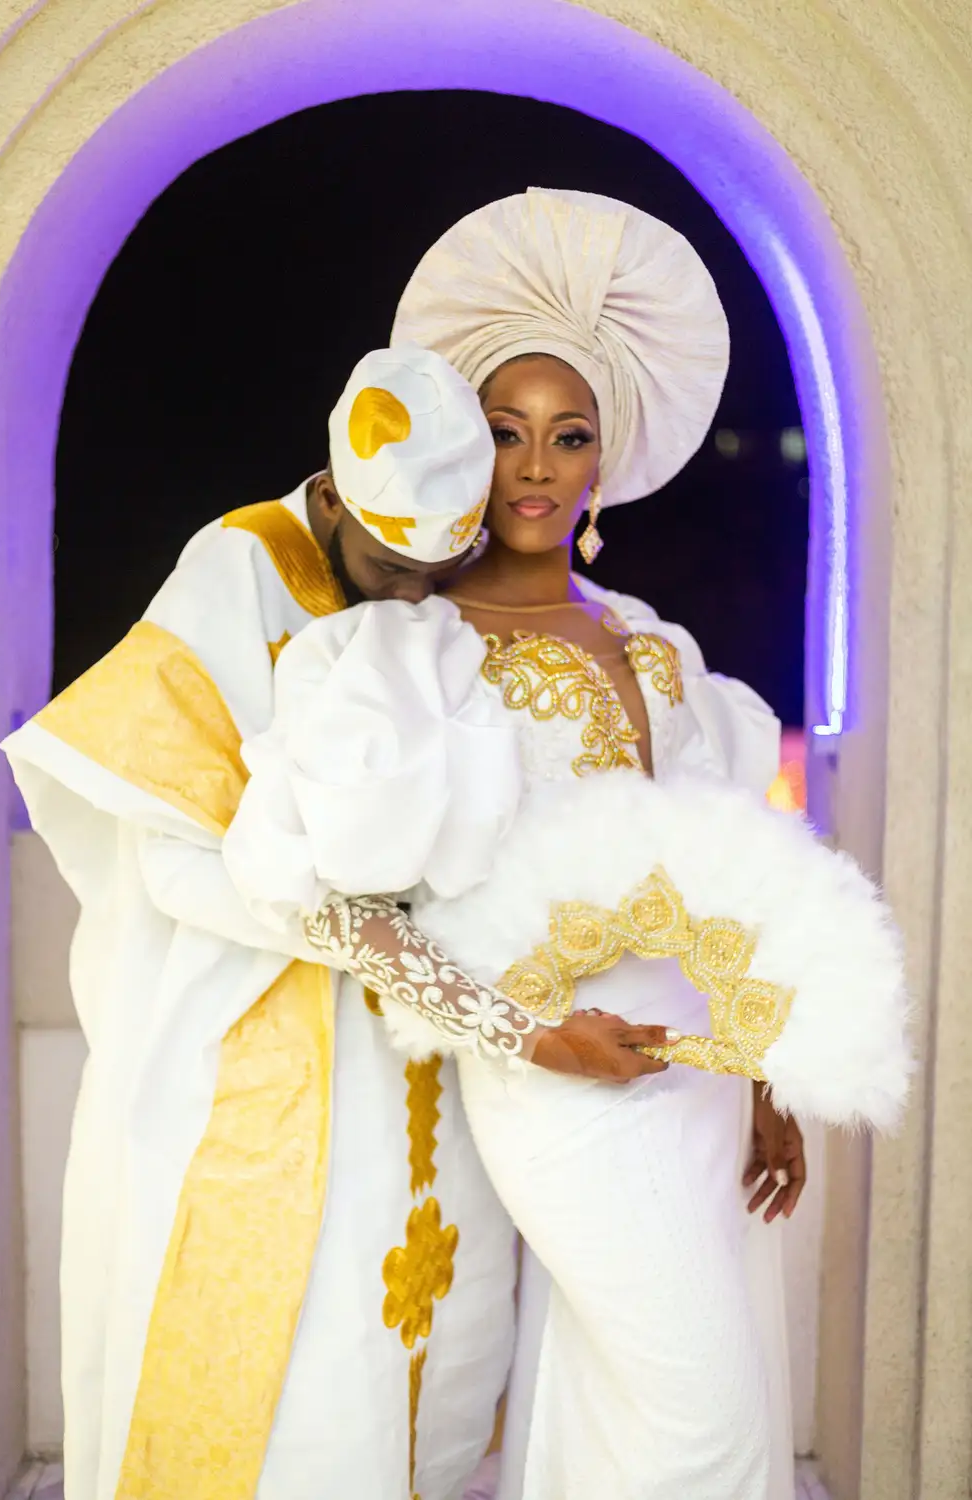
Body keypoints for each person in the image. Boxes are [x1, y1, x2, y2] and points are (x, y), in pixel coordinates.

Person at [2, 343, 672, 1500]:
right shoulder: (237, 567)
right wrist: (353, 923)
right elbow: (172, 860)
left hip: (402, 1053)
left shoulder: (407, 592)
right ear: (330, 495)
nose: (414, 594)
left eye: (438, 566)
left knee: (413, 1348)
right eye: (388, 563)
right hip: (251, 1051)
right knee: (292, 1368)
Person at [223, 192, 805, 1500]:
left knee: (621, 1403)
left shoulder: (659, 644)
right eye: (504, 432)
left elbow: (719, 873)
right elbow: (317, 902)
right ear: (461, 455)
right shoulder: (406, 652)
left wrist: (767, 1079)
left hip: (699, 1072)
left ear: (604, 462)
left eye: (569, 434)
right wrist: (530, 1036)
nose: (536, 465)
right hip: (558, 1080)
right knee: (701, 1418)